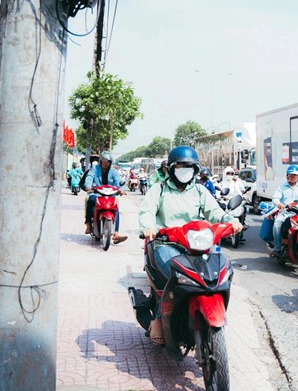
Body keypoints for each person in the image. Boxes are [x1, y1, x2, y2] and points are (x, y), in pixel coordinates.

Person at [139, 146, 242, 345]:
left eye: (189, 166)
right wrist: (148, 227)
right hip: (165, 243)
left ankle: (212, 307)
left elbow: (215, 212)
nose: (184, 169)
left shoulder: (200, 191)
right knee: (173, 274)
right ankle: (161, 317)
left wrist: (230, 220)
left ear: (195, 170)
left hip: (196, 243)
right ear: (171, 168)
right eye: (180, 166)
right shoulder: (158, 190)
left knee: (219, 270)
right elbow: (147, 211)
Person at [270, 165, 298, 257]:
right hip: (285, 213)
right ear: (287, 176)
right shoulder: (281, 187)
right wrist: (279, 204)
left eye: (295, 175)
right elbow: (275, 198)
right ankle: (277, 248)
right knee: (276, 226)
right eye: (291, 175)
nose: (293, 177)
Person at [84, 151, 127, 244]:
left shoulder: (114, 171)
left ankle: (116, 233)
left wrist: (121, 190)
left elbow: (118, 183)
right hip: (97, 193)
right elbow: (89, 177)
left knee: (116, 207)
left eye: (107, 161)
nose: (105, 163)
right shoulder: (95, 169)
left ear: (110, 162)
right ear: (100, 161)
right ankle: (88, 224)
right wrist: (88, 186)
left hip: (110, 194)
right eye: (103, 161)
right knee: (90, 200)